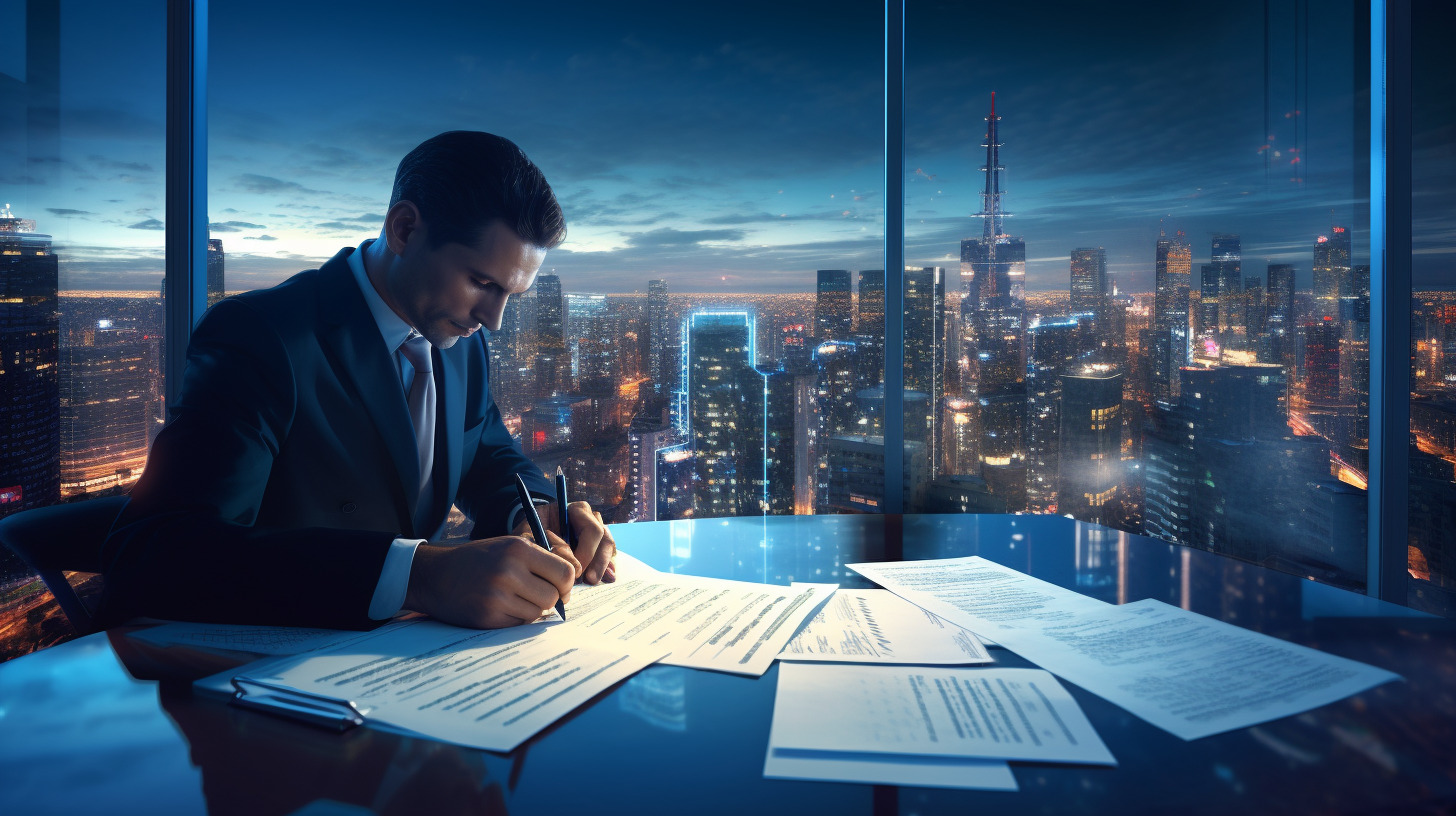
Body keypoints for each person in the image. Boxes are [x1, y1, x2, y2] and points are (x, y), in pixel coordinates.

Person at [100, 131, 614, 631]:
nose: (494, 318)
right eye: (481, 282)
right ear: (405, 230)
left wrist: (539, 512)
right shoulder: (262, 336)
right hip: (272, 673)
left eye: (510, 295)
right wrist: (419, 576)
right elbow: (157, 549)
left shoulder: (462, 340)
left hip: (416, 661)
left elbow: (485, 454)